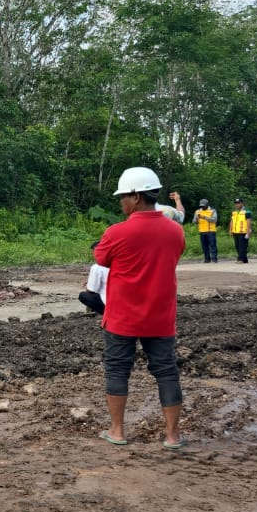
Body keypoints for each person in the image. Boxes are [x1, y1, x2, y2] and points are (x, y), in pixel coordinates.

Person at [95, 166, 187, 450]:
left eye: (123, 197)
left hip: (122, 316)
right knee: (166, 371)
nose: (121, 202)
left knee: (117, 370)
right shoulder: (175, 231)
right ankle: (172, 436)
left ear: (136, 196)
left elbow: (101, 259)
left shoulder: (116, 233)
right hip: (160, 317)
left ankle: (117, 431)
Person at [78, 241, 107, 316]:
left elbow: (91, 289)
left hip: (109, 303)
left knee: (83, 295)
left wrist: (88, 285)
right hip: (124, 300)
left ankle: (103, 313)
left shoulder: (97, 267)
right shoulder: (119, 263)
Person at [194, 198, 219, 263]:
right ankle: (207, 259)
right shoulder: (197, 211)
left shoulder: (212, 211)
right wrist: (196, 220)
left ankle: (214, 259)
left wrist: (204, 217)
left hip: (211, 231)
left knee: (213, 245)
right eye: (201, 206)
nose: (202, 207)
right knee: (204, 246)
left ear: (207, 204)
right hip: (202, 231)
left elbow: (214, 220)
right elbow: (194, 221)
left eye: (204, 206)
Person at [230, 198, 253, 263]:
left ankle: (240, 259)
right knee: (237, 246)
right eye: (236, 203)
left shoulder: (247, 211)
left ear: (242, 204)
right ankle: (244, 260)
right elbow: (232, 221)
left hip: (243, 232)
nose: (237, 205)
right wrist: (230, 230)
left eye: (238, 203)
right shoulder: (234, 212)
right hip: (235, 231)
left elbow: (249, 221)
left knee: (242, 246)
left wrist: (248, 231)